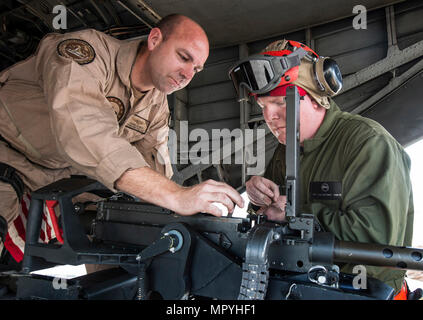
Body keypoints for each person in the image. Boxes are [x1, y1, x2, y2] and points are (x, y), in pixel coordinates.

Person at [0, 14, 243, 264]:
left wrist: (181, 209)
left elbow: (157, 164)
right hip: (7, 154)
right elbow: (86, 132)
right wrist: (176, 196)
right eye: (183, 57)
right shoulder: (84, 53)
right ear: (155, 39)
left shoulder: (156, 105)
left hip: (54, 177)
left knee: (110, 235)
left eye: (197, 69)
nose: (187, 75)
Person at [234, 39, 413, 296]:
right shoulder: (286, 150)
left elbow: (375, 237)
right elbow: (273, 214)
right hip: (301, 287)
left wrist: (295, 215)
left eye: (281, 103)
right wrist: (258, 201)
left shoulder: (368, 143)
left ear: (316, 99)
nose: (269, 117)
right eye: (263, 106)